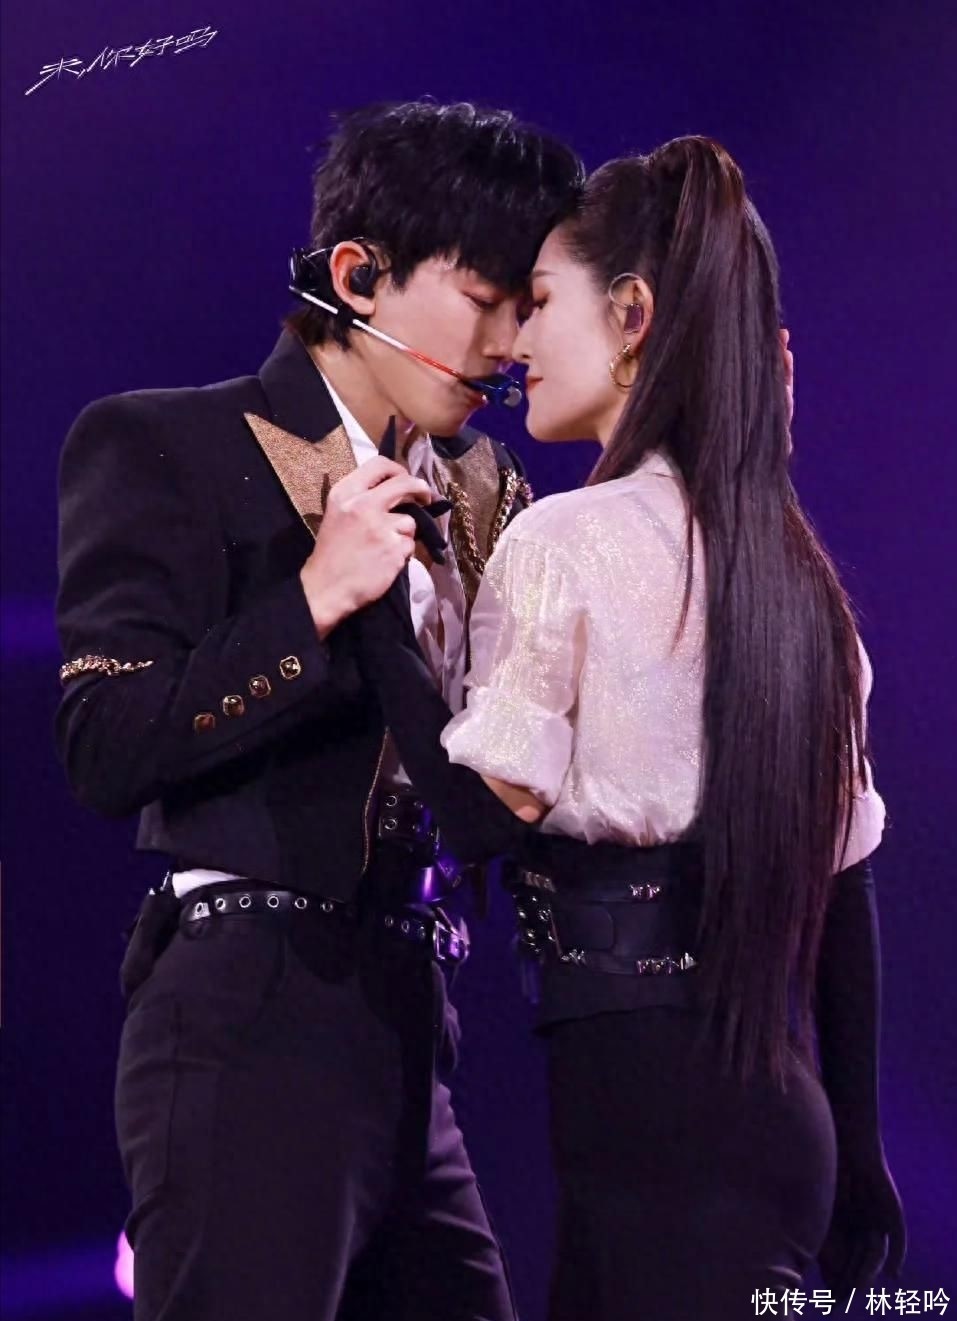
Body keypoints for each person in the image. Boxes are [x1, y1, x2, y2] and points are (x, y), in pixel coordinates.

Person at [347, 135, 907, 1319]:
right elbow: (845, 893)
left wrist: (370, 617)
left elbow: (483, 819)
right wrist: (863, 1154)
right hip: (775, 1117)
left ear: (634, 313)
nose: (517, 341)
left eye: (543, 301)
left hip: (648, 1120)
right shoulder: (799, 580)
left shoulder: (566, 541)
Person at [54, 99, 584, 1321]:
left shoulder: (489, 490)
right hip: (250, 1004)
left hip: (417, 1019)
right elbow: (102, 746)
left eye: (527, 309)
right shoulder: (164, 442)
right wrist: (309, 604)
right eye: (484, 299)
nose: (509, 344)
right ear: (357, 275)